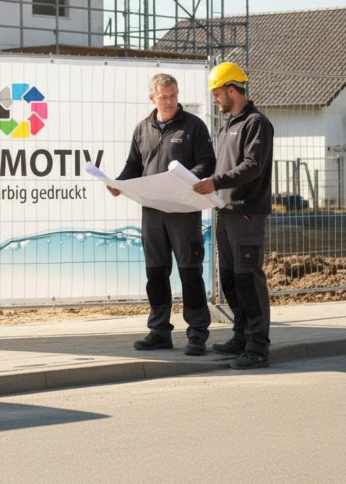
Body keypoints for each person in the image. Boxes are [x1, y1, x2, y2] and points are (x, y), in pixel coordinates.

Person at [109, 73, 216, 355]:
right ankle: (159, 332)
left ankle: (197, 335)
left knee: (190, 273)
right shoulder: (142, 129)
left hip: (183, 211)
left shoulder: (194, 126)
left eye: (173, 96)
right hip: (152, 212)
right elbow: (134, 166)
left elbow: (207, 163)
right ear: (152, 98)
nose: (169, 102)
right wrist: (119, 184)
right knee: (156, 274)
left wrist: (188, 180)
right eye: (164, 97)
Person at [193, 62, 274, 370]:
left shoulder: (256, 123)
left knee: (248, 280)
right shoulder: (228, 124)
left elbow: (252, 166)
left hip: (246, 214)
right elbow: (224, 167)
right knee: (230, 279)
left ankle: (258, 347)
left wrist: (216, 181)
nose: (215, 99)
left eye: (217, 93)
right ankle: (241, 336)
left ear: (231, 89)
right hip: (225, 213)